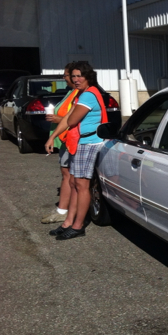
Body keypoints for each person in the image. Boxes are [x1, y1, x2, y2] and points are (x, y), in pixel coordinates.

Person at [44, 61, 106, 240]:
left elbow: (71, 120)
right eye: (74, 76)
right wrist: (51, 137)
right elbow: (67, 120)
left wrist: (63, 123)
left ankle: (78, 226)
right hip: (78, 143)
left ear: (88, 77)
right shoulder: (80, 94)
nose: (76, 79)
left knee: (81, 185)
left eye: (80, 76)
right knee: (73, 184)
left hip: (87, 143)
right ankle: (68, 222)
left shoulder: (88, 96)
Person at [41, 62, 78, 224]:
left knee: (70, 176)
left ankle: (65, 211)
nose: (64, 78)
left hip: (71, 140)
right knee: (66, 175)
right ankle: (63, 209)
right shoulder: (71, 93)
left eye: (66, 75)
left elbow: (78, 119)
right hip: (64, 140)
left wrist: (58, 119)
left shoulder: (79, 94)